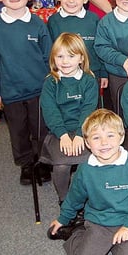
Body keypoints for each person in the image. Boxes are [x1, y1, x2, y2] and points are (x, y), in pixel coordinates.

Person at [48, 109, 128, 255]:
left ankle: (112, 243)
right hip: (99, 222)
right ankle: (77, 234)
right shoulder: (85, 169)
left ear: (121, 138)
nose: (104, 143)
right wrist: (63, 219)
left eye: (110, 136)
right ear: (88, 143)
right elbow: (75, 197)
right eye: (96, 138)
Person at [0, 0, 52, 185]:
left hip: (39, 89)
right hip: (11, 92)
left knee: (41, 129)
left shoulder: (38, 24)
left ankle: (42, 162)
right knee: (19, 131)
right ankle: (26, 165)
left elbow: (49, 57)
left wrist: (53, 84)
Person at [40, 33, 98, 232]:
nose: (65, 62)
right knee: (63, 164)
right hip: (59, 132)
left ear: (81, 58)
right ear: (53, 58)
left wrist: (81, 135)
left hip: (84, 129)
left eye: (71, 56)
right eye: (60, 56)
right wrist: (64, 135)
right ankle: (66, 201)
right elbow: (50, 111)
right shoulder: (51, 82)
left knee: (87, 162)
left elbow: (88, 109)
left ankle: (86, 201)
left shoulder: (89, 80)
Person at [47, 0, 107, 105]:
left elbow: (101, 47)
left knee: (92, 110)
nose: (71, 0)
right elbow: (50, 50)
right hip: (64, 74)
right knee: (68, 108)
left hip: (92, 73)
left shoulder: (94, 19)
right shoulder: (54, 21)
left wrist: (104, 73)